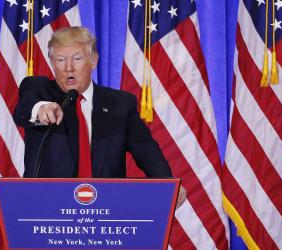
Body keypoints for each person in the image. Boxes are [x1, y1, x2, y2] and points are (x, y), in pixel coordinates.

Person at [13, 26, 185, 205]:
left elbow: (145, 149)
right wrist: (41, 109)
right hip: (50, 208)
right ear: (52, 61)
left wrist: (167, 183)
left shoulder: (120, 104)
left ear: (93, 60)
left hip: (106, 211)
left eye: (77, 59)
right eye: (60, 60)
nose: (68, 68)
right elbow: (24, 108)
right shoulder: (38, 88)